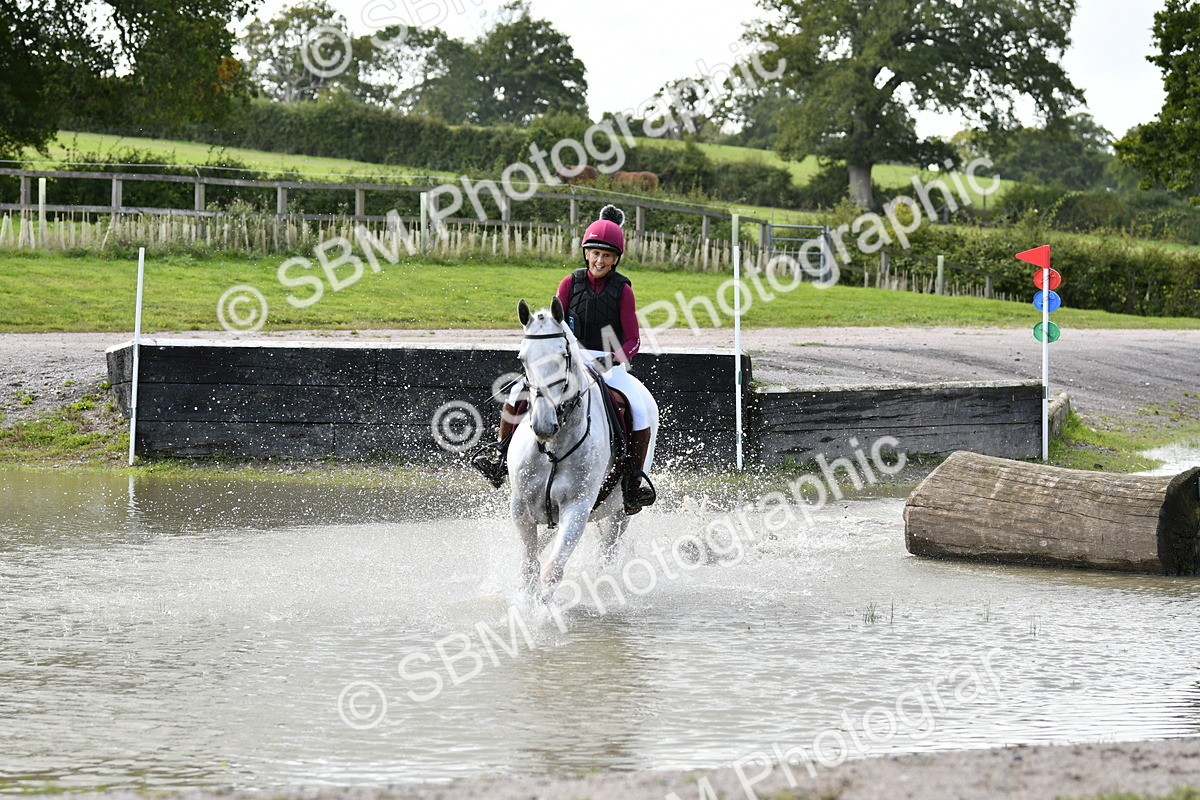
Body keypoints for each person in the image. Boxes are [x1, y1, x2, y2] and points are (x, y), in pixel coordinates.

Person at [472, 204, 656, 514]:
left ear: (615, 259)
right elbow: (555, 328)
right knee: (517, 392)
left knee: (638, 408)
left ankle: (633, 481)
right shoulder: (570, 283)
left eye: (607, 256)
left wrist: (610, 361)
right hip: (569, 358)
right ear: (586, 254)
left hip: (608, 363)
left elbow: (633, 339)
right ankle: (501, 458)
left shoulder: (623, 290)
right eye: (595, 253)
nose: (600, 260)